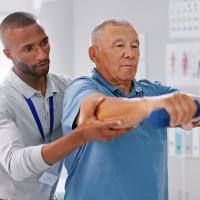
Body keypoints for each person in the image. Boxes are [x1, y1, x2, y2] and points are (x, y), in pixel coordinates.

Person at [62, 19, 200, 200]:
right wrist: (153, 105)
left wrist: (188, 106)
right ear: (93, 54)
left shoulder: (154, 91)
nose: (130, 54)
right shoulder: (81, 87)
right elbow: (99, 111)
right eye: (119, 45)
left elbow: (187, 102)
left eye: (135, 46)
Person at [0, 13, 129, 200]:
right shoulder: (3, 99)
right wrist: (82, 135)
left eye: (44, 43)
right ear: (8, 54)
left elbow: (104, 103)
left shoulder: (67, 87)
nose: (42, 54)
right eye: (29, 49)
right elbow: (15, 165)